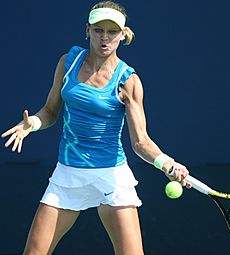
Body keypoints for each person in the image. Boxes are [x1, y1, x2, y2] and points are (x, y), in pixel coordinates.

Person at [1, 1, 190, 254]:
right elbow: (50, 111)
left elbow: (140, 141)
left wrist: (166, 162)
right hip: (68, 173)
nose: (105, 38)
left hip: (111, 175)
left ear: (123, 35)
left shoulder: (129, 81)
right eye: (99, 30)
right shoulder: (68, 62)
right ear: (87, 30)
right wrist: (32, 124)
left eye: (112, 32)